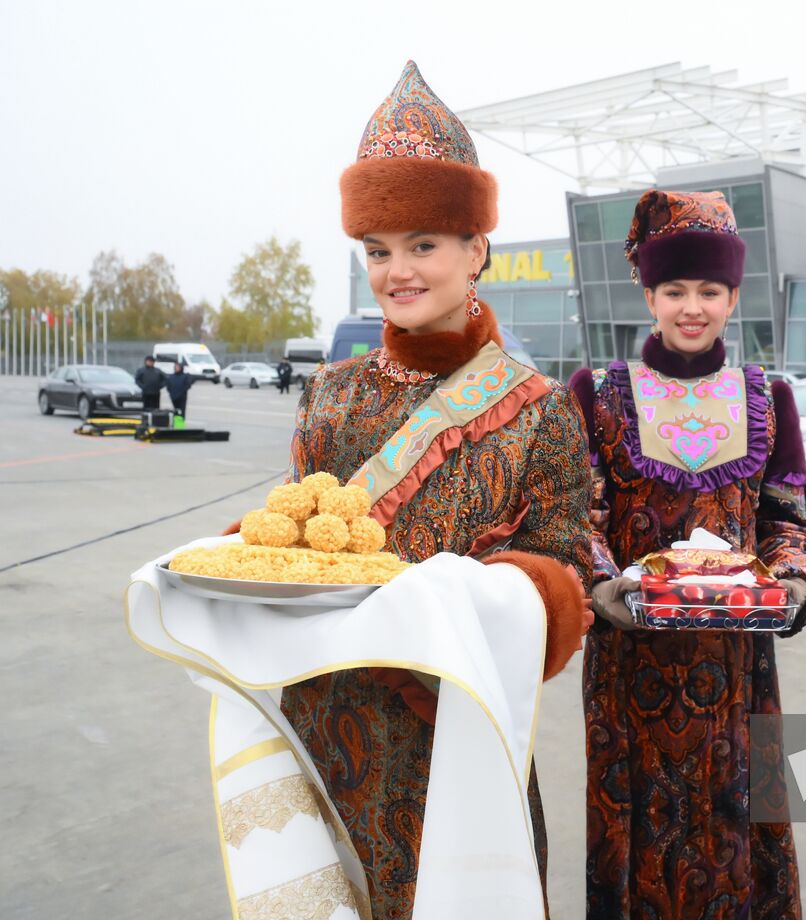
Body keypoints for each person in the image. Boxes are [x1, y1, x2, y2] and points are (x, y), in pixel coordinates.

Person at [275, 61, 594, 918]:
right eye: (378, 251)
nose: (397, 272)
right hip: (329, 717)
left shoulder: (540, 413)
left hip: (457, 734)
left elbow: (563, 575)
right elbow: (294, 534)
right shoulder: (332, 395)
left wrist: (466, 600)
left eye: (423, 245)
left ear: (477, 248)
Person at [569, 189, 806, 919]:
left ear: (733, 298)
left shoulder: (768, 398)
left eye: (709, 291)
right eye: (674, 289)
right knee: (634, 835)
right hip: (629, 667)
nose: (692, 307)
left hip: (737, 664)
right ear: (648, 294)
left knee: (733, 833)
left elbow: (785, 521)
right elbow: (575, 518)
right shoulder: (600, 394)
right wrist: (600, 583)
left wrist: (795, 580)